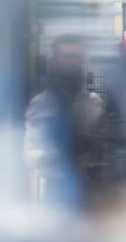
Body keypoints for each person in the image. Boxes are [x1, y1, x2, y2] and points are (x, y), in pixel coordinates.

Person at [24, 34, 103, 207]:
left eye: (79, 57)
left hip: (92, 192)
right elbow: (29, 153)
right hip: (55, 193)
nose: (74, 62)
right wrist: (60, 156)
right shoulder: (42, 104)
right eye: (68, 57)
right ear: (55, 61)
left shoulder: (94, 102)